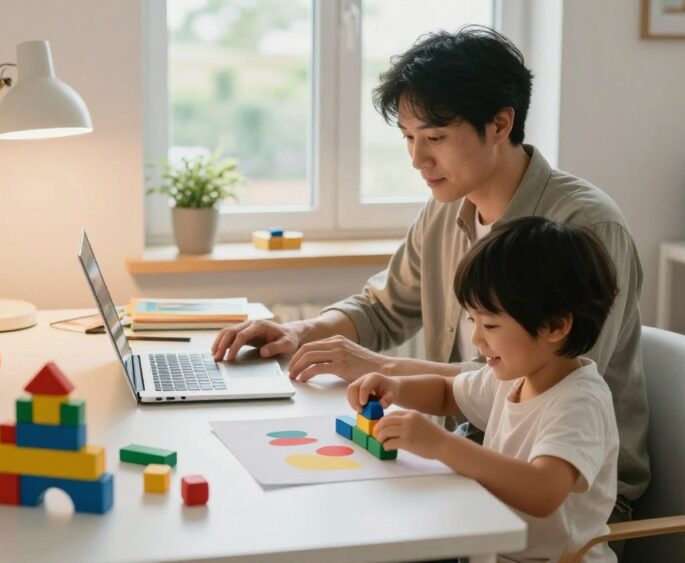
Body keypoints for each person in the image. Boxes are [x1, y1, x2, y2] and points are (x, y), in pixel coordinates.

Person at [210, 26, 649, 526]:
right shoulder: (448, 206)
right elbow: (384, 306)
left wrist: (386, 370)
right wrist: (297, 333)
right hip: (472, 453)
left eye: (435, 138)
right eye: (408, 139)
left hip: (571, 500)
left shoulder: (584, 227)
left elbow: (542, 379)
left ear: (501, 123)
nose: (417, 160)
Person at [353, 217, 620, 562]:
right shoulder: (514, 375)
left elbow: (543, 491)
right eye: (472, 321)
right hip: (493, 550)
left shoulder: (579, 402)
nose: (477, 339)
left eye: (490, 325)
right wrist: (394, 386)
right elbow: (449, 394)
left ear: (555, 325)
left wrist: (440, 444)